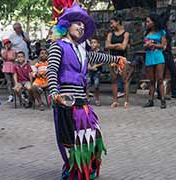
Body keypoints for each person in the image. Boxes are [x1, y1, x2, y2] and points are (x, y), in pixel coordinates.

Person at [46, 3, 126, 180]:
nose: (81, 27)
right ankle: (72, 170)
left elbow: (98, 56)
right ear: (67, 25)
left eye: (83, 25)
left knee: (91, 136)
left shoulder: (82, 49)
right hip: (66, 101)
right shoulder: (58, 46)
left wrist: (117, 58)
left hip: (82, 101)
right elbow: (51, 71)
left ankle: (80, 170)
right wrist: (54, 92)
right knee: (74, 140)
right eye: (77, 23)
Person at [143, 13, 167, 109]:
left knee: (160, 79)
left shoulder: (162, 32)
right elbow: (144, 46)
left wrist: (153, 45)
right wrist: (146, 46)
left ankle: (163, 100)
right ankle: (150, 100)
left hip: (158, 56)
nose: (147, 23)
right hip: (149, 56)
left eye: (148, 21)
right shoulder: (147, 33)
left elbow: (163, 46)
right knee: (152, 80)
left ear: (154, 22)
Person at [105, 16, 130, 108]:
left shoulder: (126, 34)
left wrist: (112, 45)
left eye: (112, 23)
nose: (111, 25)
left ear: (118, 22)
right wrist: (117, 44)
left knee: (124, 80)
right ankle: (115, 101)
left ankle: (126, 101)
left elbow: (123, 47)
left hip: (122, 59)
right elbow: (107, 46)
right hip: (113, 58)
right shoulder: (110, 34)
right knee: (114, 80)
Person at [159, 0, 176, 99]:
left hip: (168, 54)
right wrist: (169, 4)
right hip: (164, 54)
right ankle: (161, 94)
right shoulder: (161, 27)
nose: (169, 20)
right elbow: (166, 15)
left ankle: (173, 93)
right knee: (162, 74)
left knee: (173, 72)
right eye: (168, 19)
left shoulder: (165, 29)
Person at [87, 36, 103, 106]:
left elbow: (103, 61)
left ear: (98, 44)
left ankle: (97, 99)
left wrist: (96, 66)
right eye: (91, 43)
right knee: (87, 84)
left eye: (94, 42)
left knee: (96, 85)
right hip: (90, 70)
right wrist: (89, 66)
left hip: (97, 71)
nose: (93, 44)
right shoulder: (89, 52)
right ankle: (87, 98)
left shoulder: (101, 52)